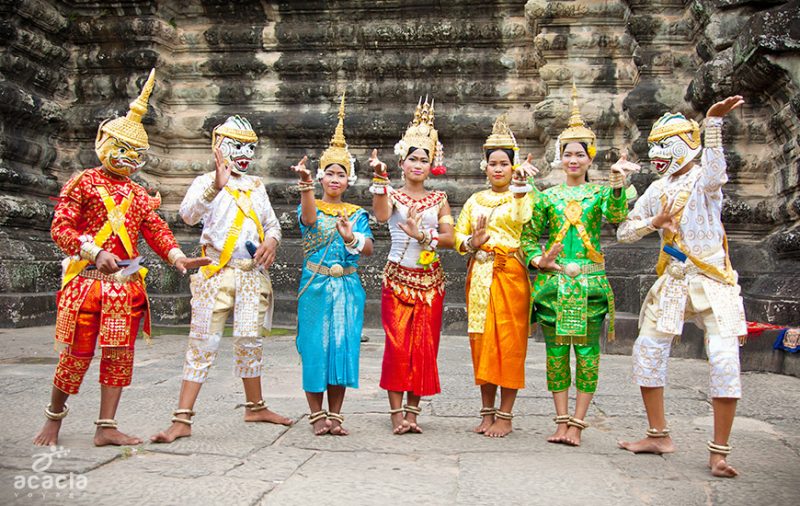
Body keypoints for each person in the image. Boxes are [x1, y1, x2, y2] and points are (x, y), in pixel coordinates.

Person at [33, 69, 209, 447]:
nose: (128, 159)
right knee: (76, 356)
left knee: (118, 357)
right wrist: (94, 252)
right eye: (122, 149)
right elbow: (61, 228)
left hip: (125, 288)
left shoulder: (141, 195)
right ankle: (54, 418)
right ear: (104, 142)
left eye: (136, 155)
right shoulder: (82, 182)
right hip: (85, 285)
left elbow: (156, 231)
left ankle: (106, 426)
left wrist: (178, 258)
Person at [617, 96, 747, 478]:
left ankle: (719, 452)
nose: (657, 153)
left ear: (687, 144)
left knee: (724, 360)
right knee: (647, 351)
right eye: (653, 146)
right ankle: (658, 434)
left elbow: (715, 171)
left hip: (712, 279)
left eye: (665, 145)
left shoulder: (704, 181)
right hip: (674, 280)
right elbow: (624, 231)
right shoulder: (657, 188)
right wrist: (652, 223)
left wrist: (713, 126)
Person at [151, 115, 292, 444]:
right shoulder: (205, 182)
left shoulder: (257, 186)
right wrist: (216, 186)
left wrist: (271, 242)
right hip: (215, 272)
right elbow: (187, 215)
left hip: (250, 274)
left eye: (250, 148)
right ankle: (182, 418)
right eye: (237, 146)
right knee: (203, 342)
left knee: (249, 341)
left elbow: (273, 225)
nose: (244, 154)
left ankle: (255, 406)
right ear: (219, 147)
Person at [520, 86, 637, 446]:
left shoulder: (601, 192)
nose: (574, 159)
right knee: (555, 354)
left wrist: (617, 183)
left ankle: (578, 423)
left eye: (580, 154)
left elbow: (618, 218)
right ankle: (559, 421)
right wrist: (540, 260)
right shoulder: (547, 196)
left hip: (589, 284)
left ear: (590, 158)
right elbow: (527, 235)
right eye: (568, 153)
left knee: (587, 354)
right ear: (559, 157)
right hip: (555, 284)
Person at [371, 98, 454, 434]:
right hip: (398, 278)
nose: (418, 164)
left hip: (431, 280)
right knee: (397, 345)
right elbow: (379, 215)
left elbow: (450, 237)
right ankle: (395, 415)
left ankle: (413, 414)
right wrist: (379, 180)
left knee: (424, 347)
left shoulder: (439, 198)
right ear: (401, 162)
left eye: (424, 159)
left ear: (432, 162)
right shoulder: (391, 194)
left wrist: (425, 235)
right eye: (412, 159)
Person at [292, 95, 374, 436]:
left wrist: (351, 237)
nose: (335, 179)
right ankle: (315, 415)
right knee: (314, 348)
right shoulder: (310, 203)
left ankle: (336, 415)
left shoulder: (355, 213)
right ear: (321, 178)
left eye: (341, 174)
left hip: (347, 288)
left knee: (341, 348)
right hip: (315, 286)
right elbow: (309, 219)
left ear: (349, 179)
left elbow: (368, 248)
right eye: (329, 173)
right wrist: (306, 186)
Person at [454, 114, 537, 438]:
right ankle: (487, 412)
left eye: (504, 163)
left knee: (509, 342)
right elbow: (461, 237)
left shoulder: (521, 195)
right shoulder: (475, 200)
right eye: (494, 163)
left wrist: (519, 189)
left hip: (509, 274)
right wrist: (470, 242)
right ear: (484, 166)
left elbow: (522, 218)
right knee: (481, 342)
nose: (498, 169)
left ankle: (506, 414)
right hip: (479, 275)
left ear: (512, 166)